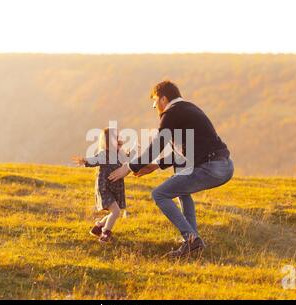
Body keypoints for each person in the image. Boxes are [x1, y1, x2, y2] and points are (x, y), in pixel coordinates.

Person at [109, 80, 234, 257]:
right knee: (180, 180)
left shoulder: (171, 113)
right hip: (224, 165)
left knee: (159, 194)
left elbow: (157, 144)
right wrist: (155, 165)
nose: (154, 106)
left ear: (163, 99)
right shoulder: (189, 109)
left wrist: (128, 167)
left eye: (154, 100)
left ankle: (191, 240)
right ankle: (191, 241)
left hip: (211, 167)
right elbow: (188, 153)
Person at [72, 127, 128, 243]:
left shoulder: (119, 153)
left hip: (115, 188)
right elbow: (95, 160)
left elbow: (127, 159)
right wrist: (85, 161)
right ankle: (105, 234)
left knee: (115, 212)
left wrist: (133, 151)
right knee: (116, 212)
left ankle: (97, 228)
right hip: (105, 188)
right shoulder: (104, 154)